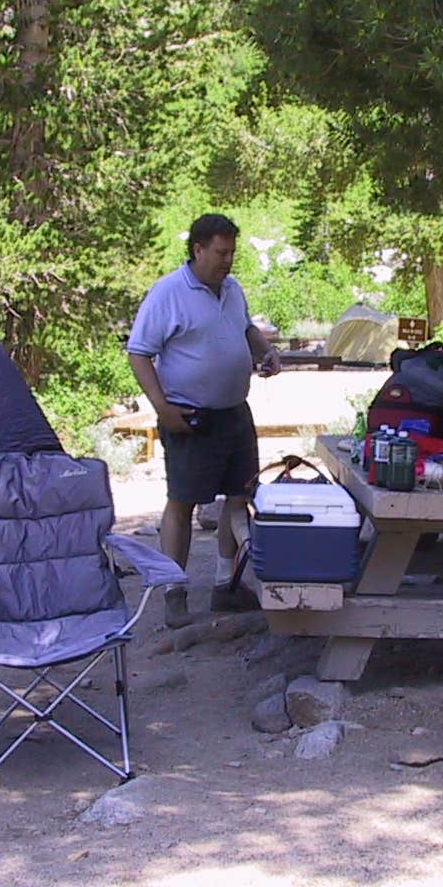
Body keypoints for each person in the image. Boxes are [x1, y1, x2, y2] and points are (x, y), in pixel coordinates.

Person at [127, 213, 280, 626]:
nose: (228, 261)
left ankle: (224, 586)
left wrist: (265, 351)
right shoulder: (169, 292)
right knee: (182, 503)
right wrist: (162, 407)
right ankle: (173, 592)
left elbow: (245, 329)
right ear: (198, 250)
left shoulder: (232, 289)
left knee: (239, 497)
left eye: (231, 253)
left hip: (235, 413)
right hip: (189, 415)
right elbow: (138, 352)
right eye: (221, 252)